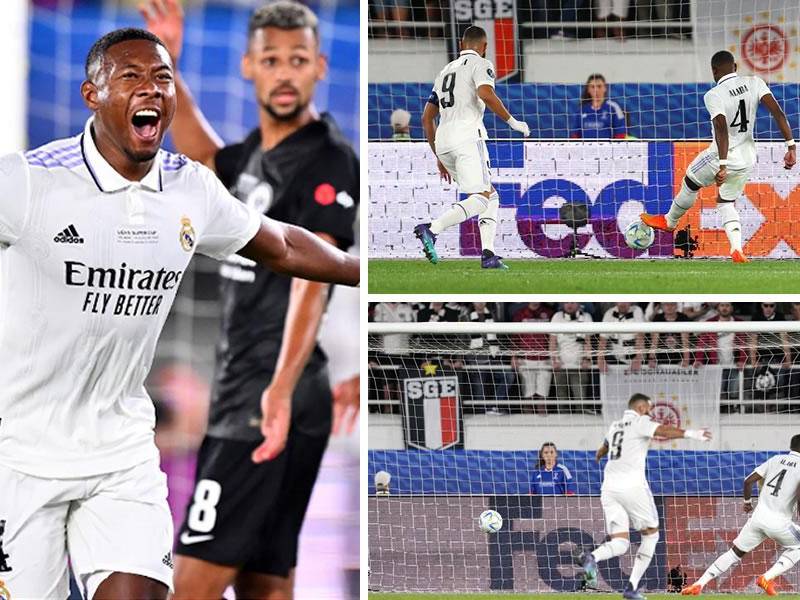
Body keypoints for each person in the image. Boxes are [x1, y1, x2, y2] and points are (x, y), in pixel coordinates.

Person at [0, 25, 357, 600]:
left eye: (162, 77)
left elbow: (285, 245)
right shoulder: (27, 183)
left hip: (121, 454)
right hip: (19, 456)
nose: (151, 89)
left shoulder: (190, 189)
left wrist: (370, 269)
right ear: (93, 95)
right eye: (131, 77)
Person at [140, 2, 359, 597]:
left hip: (265, 401)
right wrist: (170, 70)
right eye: (270, 60)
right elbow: (206, 159)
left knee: (188, 585)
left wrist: (280, 390)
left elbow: (316, 279)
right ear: (247, 68)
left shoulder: (328, 158)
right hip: (262, 395)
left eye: (296, 60)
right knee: (265, 585)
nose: (283, 73)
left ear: (319, 66)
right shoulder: (254, 159)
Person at [641, 50, 796, 263]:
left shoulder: (714, 95)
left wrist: (722, 165)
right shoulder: (755, 82)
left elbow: (721, 128)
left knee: (690, 181)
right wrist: (791, 146)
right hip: (747, 158)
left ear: (714, 71)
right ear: (735, 67)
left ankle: (669, 221)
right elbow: (778, 113)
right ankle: (736, 249)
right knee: (726, 201)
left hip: (720, 156)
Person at [415, 25, 530, 270]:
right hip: (467, 137)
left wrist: (438, 155)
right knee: (480, 199)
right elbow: (486, 93)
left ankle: (488, 254)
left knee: (491, 196)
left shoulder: (445, 71)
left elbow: (426, 118)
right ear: (484, 46)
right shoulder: (482, 65)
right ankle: (432, 229)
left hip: (444, 142)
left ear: (461, 45)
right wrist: (513, 122)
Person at [578, 394, 711, 599]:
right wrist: (693, 434)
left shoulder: (616, 425)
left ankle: (591, 556)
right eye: (648, 409)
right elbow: (663, 431)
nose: (650, 413)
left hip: (609, 488)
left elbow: (603, 447)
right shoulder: (640, 421)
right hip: (632, 486)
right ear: (640, 407)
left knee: (621, 543)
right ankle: (631, 588)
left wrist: (600, 455)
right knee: (651, 535)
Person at [681, 434, 800, 596]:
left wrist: (747, 502)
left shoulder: (775, 459)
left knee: (734, 553)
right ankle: (766, 578)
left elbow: (747, 481)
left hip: (757, 519)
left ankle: (698, 584)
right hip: (779, 523)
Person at [512, 302, 555, 414]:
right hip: (526, 359)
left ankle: (543, 428)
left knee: (542, 399)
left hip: (544, 360)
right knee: (528, 396)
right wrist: (513, 357)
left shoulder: (550, 314)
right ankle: (528, 427)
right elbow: (514, 338)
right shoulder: (520, 314)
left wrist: (554, 358)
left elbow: (554, 338)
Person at [549, 302, 593, 408]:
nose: (569, 305)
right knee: (561, 397)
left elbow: (588, 342)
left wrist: (587, 359)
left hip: (579, 365)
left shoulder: (586, 317)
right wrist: (554, 360)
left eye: (573, 302)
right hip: (560, 365)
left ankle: (581, 421)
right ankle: (562, 422)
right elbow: (552, 342)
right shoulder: (557, 317)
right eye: (567, 302)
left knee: (580, 398)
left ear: (579, 304)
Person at [570, 74, 626, 139]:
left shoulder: (614, 107)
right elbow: (574, 135)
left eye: (599, 86)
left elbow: (621, 134)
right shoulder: (582, 109)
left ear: (605, 88)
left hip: (607, 148)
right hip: (586, 148)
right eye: (593, 87)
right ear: (588, 89)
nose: (596, 90)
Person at [597, 302, 645, 373]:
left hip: (634, 359)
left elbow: (640, 337)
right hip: (615, 360)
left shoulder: (637, 311)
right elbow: (602, 340)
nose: (623, 303)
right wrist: (600, 359)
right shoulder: (609, 313)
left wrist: (638, 358)